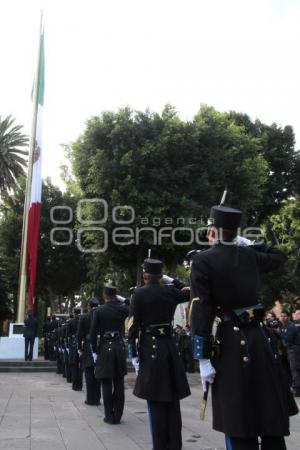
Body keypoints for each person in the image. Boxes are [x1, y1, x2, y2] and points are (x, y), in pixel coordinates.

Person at [189, 204, 298, 450]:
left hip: (229, 343)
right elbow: (279, 256)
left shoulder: (202, 260)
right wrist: (248, 242)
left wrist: (203, 357)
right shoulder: (249, 254)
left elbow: (201, 309)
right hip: (260, 340)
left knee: (239, 422)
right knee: (269, 416)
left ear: (213, 231)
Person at [128, 258, 191, 450]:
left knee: (155, 401)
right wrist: (170, 279)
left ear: (146, 275)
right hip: (170, 348)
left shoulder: (138, 294)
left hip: (150, 348)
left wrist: (132, 352)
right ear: (159, 275)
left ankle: (160, 446)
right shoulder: (170, 291)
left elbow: (133, 324)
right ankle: (175, 444)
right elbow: (189, 292)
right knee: (173, 400)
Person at [90, 286, 129, 424]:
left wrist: (94, 350)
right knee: (119, 382)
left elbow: (93, 333)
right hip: (119, 346)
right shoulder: (123, 308)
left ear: (104, 295)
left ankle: (109, 416)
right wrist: (122, 299)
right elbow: (131, 305)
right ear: (116, 295)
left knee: (106, 382)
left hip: (105, 347)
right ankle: (118, 415)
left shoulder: (99, 310)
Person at [77, 297, 101, 405]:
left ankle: (90, 398)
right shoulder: (102, 315)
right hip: (100, 345)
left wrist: (79, 348)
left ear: (88, 306)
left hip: (88, 345)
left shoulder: (84, 317)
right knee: (99, 373)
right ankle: (97, 398)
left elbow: (79, 334)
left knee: (89, 373)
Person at [279, 310, 300, 395]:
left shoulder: (291, 326)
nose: (283, 318)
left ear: (288, 317)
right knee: (293, 369)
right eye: (281, 316)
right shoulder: (283, 326)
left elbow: (288, 338)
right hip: (288, 350)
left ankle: (297, 389)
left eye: (284, 316)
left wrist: (278, 333)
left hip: (293, 349)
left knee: (295, 369)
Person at [67, 308, 83, 391]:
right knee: (80, 367)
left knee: (74, 366)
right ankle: (80, 385)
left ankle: (75, 385)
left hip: (73, 345)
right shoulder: (82, 320)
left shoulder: (70, 322)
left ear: (74, 313)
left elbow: (68, 335)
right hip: (81, 344)